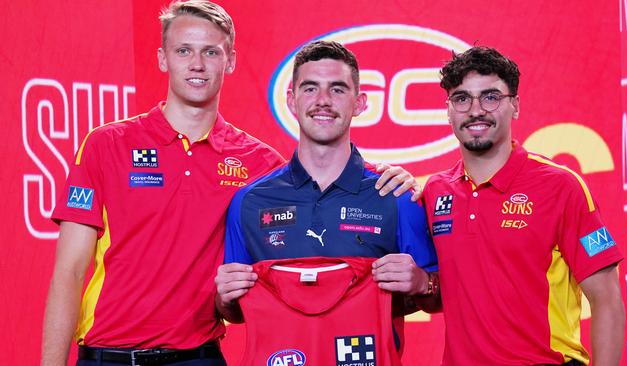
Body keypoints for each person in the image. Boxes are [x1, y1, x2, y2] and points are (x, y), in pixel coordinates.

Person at [41, 2, 420, 366]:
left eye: (211, 52)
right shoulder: (107, 144)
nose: (197, 64)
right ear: (162, 58)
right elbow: (69, 273)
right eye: (184, 50)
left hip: (199, 355)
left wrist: (390, 177)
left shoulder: (259, 164)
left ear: (231, 60)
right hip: (109, 355)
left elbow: (321, 178)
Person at [214, 41, 440, 357]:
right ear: (291, 101)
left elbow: (437, 297)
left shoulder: (395, 195)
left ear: (360, 103)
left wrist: (422, 282)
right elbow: (236, 311)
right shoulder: (250, 202)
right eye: (310, 89)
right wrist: (224, 299)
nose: (322, 101)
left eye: (337, 89)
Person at [423, 46, 625, 365]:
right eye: (462, 99)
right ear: (448, 110)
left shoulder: (561, 187)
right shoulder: (435, 191)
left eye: (490, 97)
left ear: (515, 106)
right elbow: (436, 293)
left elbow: (607, 299)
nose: (476, 110)